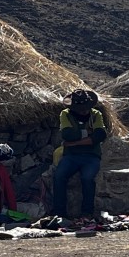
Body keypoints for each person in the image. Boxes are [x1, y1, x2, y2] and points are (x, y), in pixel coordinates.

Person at [52, 89, 108, 219]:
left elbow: (100, 135)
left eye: (86, 107)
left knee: (87, 178)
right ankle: (60, 213)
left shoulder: (96, 115)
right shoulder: (65, 114)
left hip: (91, 156)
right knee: (59, 176)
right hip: (71, 156)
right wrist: (88, 134)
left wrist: (74, 143)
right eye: (81, 109)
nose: (84, 111)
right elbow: (67, 134)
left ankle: (87, 212)